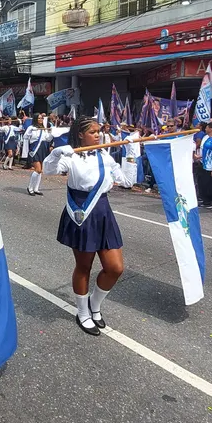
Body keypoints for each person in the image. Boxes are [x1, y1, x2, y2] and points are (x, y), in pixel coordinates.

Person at [43, 116, 129, 336]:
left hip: (103, 212)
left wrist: (130, 159)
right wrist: (56, 153)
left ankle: (95, 304)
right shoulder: (72, 156)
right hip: (82, 212)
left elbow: (126, 181)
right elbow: (49, 170)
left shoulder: (104, 154)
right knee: (84, 266)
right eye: (93, 132)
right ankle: (82, 312)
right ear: (81, 134)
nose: (98, 135)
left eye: (99, 131)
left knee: (115, 268)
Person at [22, 118, 52, 196]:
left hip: (43, 149)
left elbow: (48, 139)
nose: (41, 119)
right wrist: (30, 131)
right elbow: (25, 136)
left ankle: (36, 188)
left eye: (41, 118)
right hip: (35, 149)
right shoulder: (31, 127)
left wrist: (51, 133)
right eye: (38, 118)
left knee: (40, 170)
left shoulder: (44, 128)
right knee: (37, 169)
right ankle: (30, 187)